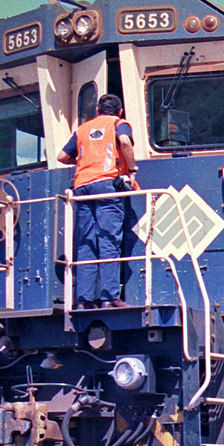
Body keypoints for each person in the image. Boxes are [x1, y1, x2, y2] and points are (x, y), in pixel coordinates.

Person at [56, 94, 137, 309]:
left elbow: (62, 156)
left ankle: (83, 300)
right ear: (119, 111)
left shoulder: (83, 129)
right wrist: (132, 169)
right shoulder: (119, 124)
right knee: (108, 239)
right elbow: (125, 142)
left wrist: (84, 162)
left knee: (86, 242)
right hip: (106, 185)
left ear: (98, 110)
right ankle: (109, 297)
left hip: (81, 187)